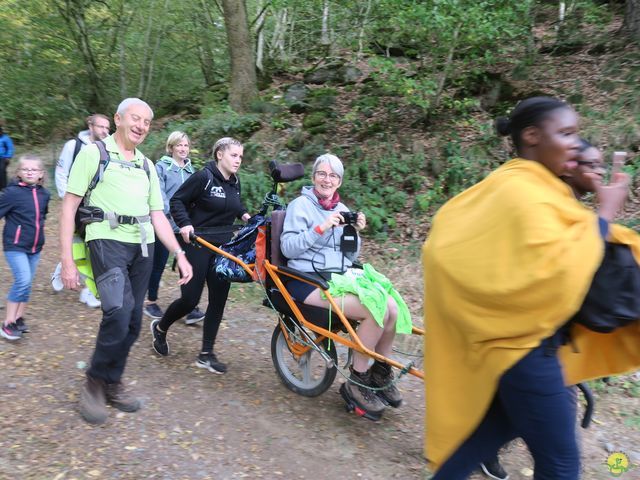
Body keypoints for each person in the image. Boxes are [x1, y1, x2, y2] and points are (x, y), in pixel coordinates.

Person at [422, 96, 637, 479]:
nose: (575, 142)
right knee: (561, 465)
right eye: (567, 133)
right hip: (524, 351)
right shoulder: (521, 190)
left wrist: (597, 208)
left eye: (577, 133)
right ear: (533, 136)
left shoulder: (532, 186)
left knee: (481, 441)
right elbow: (556, 270)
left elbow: (564, 251)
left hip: (519, 349)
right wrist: (604, 213)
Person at [59, 98, 193, 425]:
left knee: (133, 321)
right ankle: (93, 382)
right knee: (117, 313)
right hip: (106, 240)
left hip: (142, 246)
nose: (142, 126)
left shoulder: (147, 164)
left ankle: (112, 381)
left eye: (147, 121)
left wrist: (179, 252)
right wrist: (67, 261)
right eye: (136, 118)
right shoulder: (94, 154)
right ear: (118, 118)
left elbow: (157, 214)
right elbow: (69, 206)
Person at [279, 153, 413, 420]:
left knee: (391, 307)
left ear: (339, 181)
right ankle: (357, 381)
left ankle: (380, 371)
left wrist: (355, 233)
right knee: (374, 309)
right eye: (322, 174)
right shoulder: (300, 206)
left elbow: (348, 258)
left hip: (336, 278)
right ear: (313, 177)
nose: (327, 180)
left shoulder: (341, 210)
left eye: (333, 176)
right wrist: (320, 228)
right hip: (305, 280)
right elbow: (288, 248)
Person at [150, 137, 251, 374]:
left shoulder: (235, 181)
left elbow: (235, 205)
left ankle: (207, 354)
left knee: (218, 300)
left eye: (240, 157)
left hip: (223, 248)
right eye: (234, 155)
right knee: (190, 300)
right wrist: (184, 224)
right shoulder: (203, 177)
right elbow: (177, 200)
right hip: (197, 244)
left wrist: (247, 216)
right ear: (219, 154)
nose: (238, 160)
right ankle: (161, 327)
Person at [143, 131, 204, 324]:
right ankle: (150, 301)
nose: (183, 149)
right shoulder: (161, 167)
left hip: (186, 227)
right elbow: (159, 195)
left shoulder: (191, 171)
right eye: (179, 145)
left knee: (187, 265)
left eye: (186, 145)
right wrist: (177, 214)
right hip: (165, 224)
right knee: (158, 264)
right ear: (171, 148)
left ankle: (190, 307)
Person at [52, 113, 111, 308]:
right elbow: (61, 172)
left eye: (107, 128)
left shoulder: (108, 148)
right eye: (101, 126)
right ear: (90, 126)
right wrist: (68, 200)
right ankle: (67, 269)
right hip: (77, 203)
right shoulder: (74, 146)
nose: (104, 131)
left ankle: (88, 289)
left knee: (94, 245)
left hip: (97, 205)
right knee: (82, 243)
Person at [0, 155, 50, 340]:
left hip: (35, 247)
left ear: (41, 174)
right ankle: (8, 323)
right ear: (18, 173)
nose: (29, 171)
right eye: (25, 169)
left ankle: (19, 318)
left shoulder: (45, 194)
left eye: (34, 169)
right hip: (15, 245)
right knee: (22, 280)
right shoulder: (11, 193)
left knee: (27, 283)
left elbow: (42, 217)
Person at [0, 126, 15, 191]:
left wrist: (8, 157)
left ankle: (3, 187)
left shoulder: (6, 138)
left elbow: (10, 148)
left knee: (1, 171)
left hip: (3, 158)